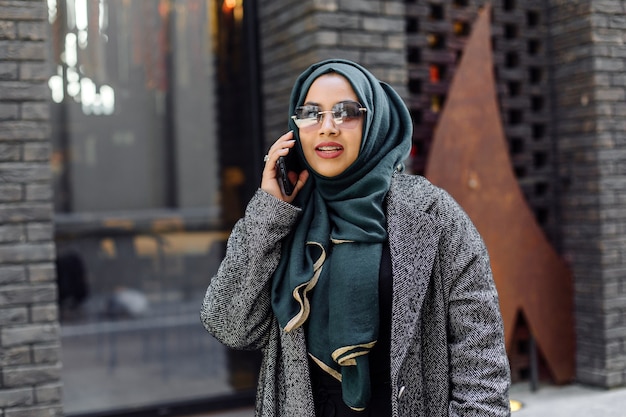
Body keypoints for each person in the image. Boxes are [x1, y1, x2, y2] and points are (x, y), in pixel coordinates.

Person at [201, 59, 511, 416]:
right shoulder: (284, 219)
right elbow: (229, 325)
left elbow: (481, 365)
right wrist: (268, 211)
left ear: (374, 122)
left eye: (346, 112)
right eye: (311, 113)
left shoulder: (433, 215)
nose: (327, 127)